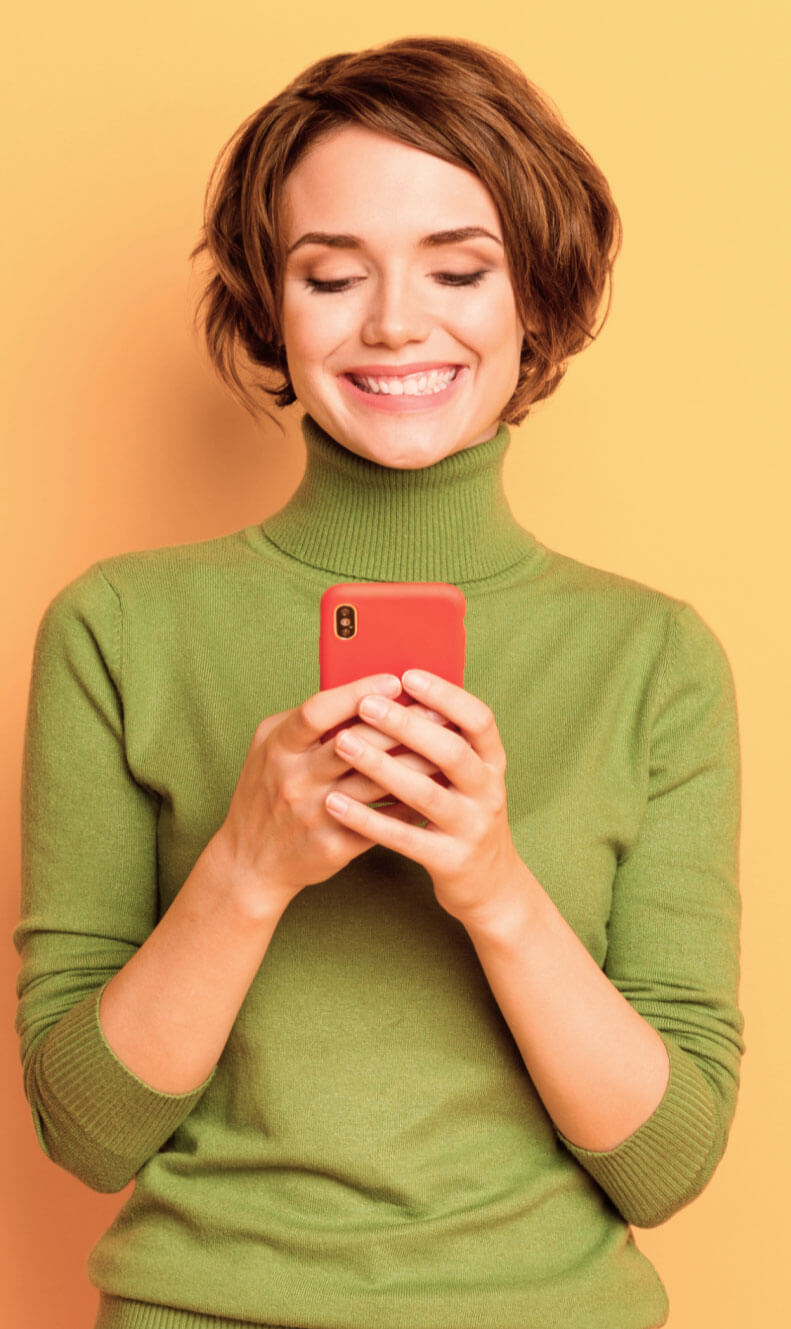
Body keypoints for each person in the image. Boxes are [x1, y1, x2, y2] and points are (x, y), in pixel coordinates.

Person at [14, 34, 745, 1329]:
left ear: (536, 301)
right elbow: (86, 1128)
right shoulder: (118, 629)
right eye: (332, 273)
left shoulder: (656, 661)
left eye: (459, 268)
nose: (397, 321)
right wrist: (250, 864)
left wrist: (492, 885)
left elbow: (666, 1157)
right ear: (269, 310)